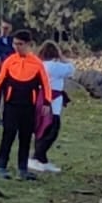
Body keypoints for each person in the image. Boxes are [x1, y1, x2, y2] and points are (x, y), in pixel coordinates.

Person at [0, 29, 51, 180]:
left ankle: (22, 168)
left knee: (25, 137)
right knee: (8, 135)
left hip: (29, 106)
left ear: (29, 44)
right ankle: (1, 165)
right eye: (15, 44)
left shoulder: (37, 64)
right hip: (11, 105)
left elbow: (46, 84)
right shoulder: (9, 61)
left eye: (20, 44)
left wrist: (47, 102)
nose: (16, 47)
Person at [30, 41, 75, 175]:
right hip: (52, 102)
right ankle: (36, 157)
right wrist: (63, 58)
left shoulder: (39, 65)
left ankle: (42, 159)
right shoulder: (55, 67)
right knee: (51, 130)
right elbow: (72, 69)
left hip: (39, 99)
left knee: (41, 129)